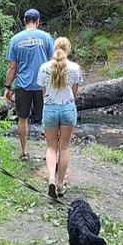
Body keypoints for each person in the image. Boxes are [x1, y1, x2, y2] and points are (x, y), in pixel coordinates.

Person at [36, 37, 83, 199]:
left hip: (49, 108)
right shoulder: (75, 68)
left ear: (54, 48)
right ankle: (61, 185)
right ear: (68, 50)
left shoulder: (43, 68)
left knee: (51, 147)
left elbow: (43, 92)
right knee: (64, 147)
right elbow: (75, 92)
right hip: (68, 109)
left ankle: (51, 178)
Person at [4, 9, 54, 161]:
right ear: (38, 21)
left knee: (22, 118)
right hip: (43, 85)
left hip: (22, 85)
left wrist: (7, 87)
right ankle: (50, 152)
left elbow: (13, 67)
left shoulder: (15, 39)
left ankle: (24, 152)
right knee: (47, 118)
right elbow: (53, 61)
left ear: (24, 21)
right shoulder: (46, 37)